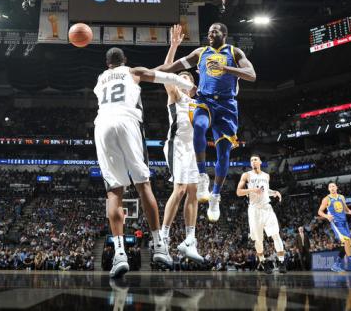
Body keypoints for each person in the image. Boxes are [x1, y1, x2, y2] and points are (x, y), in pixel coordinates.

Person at [94, 47, 194, 278]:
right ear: (124, 61)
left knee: (114, 192)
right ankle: (159, 246)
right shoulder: (133, 71)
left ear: (107, 63)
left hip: (102, 126)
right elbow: (164, 76)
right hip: (127, 122)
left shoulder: (100, 78)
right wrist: (187, 84)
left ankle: (119, 254)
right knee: (143, 185)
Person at [156, 22, 256, 222]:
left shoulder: (234, 52)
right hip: (205, 101)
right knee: (199, 126)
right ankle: (202, 176)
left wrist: (226, 68)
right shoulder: (200, 52)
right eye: (209, 31)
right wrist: (143, 73)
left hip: (227, 105)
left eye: (215, 31)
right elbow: (171, 68)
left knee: (224, 152)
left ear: (224, 34)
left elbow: (252, 75)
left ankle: (216, 195)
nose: (210, 33)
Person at [159, 25, 204, 264]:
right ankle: (163, 237)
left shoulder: (198, 103)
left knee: (194, 191)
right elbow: (167, 72)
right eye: (181, 78)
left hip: (194, 149)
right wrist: (174, 46)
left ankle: (189, 240)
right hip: (176, 145)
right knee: (180, 189)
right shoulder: (175, 95)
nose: (182, 79)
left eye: (186, 77)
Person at [236, 154, 286, 274]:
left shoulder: (266, 176)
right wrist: (252, 190)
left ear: (260, 162)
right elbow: (238, 192)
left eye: (255, 160)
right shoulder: (246, 175)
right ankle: (263, 262)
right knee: (258, 240)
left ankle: (282, 261)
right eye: (251, 160)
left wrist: (274, 192)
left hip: (267, 208)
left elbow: (265, 191)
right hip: (254, 210)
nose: (253, 162)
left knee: (276, 235)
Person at [317, 183, 351, 273]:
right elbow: (319, 211)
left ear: (337, 187)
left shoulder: (342, 197)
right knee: (346, 241)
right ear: (328, 189)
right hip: (336, 223)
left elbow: (345, 209)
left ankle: (336, 265)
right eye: (330, 187)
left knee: (346, 244)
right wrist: (327, 216)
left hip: (344, 222)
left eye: (333, 186)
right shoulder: (326, 199)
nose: (332, 188)